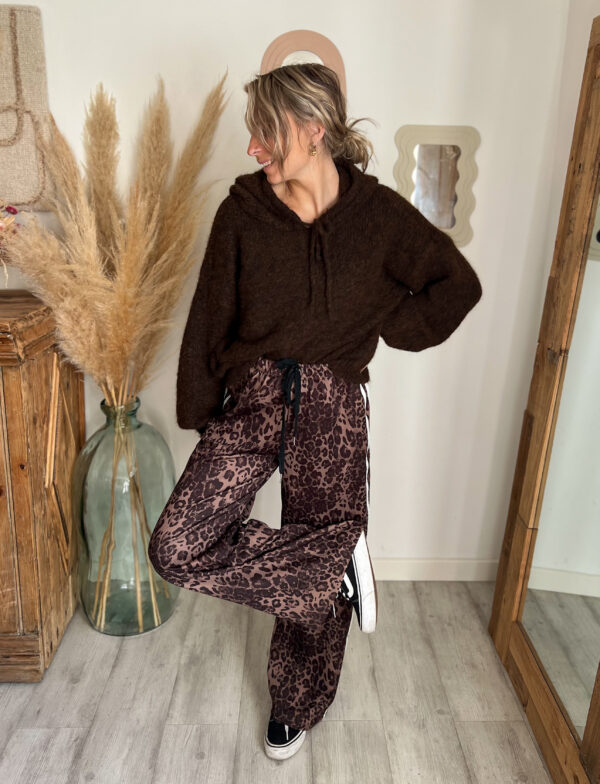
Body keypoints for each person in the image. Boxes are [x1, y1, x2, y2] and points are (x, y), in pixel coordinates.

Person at [147, 62, 483, 761]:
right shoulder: (243, 212)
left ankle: (296, 702)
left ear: (313, 129)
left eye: (265, 133)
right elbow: (210, 316)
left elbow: (456, 284)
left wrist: (386, 321)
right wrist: (205, 413)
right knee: (176, 545)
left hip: (333, 404)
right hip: (256, 399)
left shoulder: (379, 217)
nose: (253, 149)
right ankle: (336, 562)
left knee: (313, 544)